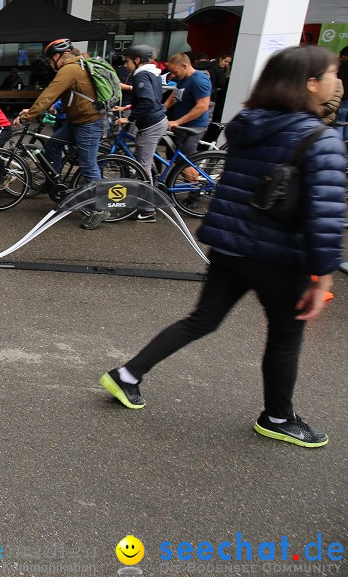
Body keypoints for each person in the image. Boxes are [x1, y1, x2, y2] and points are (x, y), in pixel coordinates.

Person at [100, 45, 346, 448]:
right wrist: (323, 275)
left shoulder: (247, 126)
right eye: (333, 73)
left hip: (230, 247)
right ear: (311, 83)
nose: (338, 80)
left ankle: (127, 375)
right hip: (281, 257)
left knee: (201, 320)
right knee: (285, 335)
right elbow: (325, 217)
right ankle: (278, 416)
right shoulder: (321, 140)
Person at [14, 38, 108, 230]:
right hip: (76, 121)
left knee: (88, 164)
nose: (50, 64)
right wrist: (37, 110)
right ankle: (54, 182)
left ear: (58, 56)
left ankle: (100, 209)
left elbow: (50, 93)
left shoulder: (70, 69)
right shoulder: (76, 67)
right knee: (53, 144)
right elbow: (64, 96)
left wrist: (28, 116)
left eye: (50, 60)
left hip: (89, 123)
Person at [112, 44, 168, 222]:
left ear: (137, 60)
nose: (126, 65)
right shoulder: (152, 73)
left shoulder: (141, 75)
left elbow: (147, 101)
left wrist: (129, 118)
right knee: (145, 161)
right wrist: (126, 107)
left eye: (127, 61)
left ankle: (148, 210)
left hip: (150, 124)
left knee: (143, 166)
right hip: (156, 121)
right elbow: (145, 97)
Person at [163, 53, 212, 182]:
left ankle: (194, 192)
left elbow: (202, 106)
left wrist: (178, 122)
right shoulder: (183, 79)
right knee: (178, 159)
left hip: (193, 127)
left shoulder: (198, 80)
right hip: (183, 127)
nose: (173, 76)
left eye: (174, 72)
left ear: (184, 66)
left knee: (184, 162)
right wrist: (162, 109)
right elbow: (175, 95)